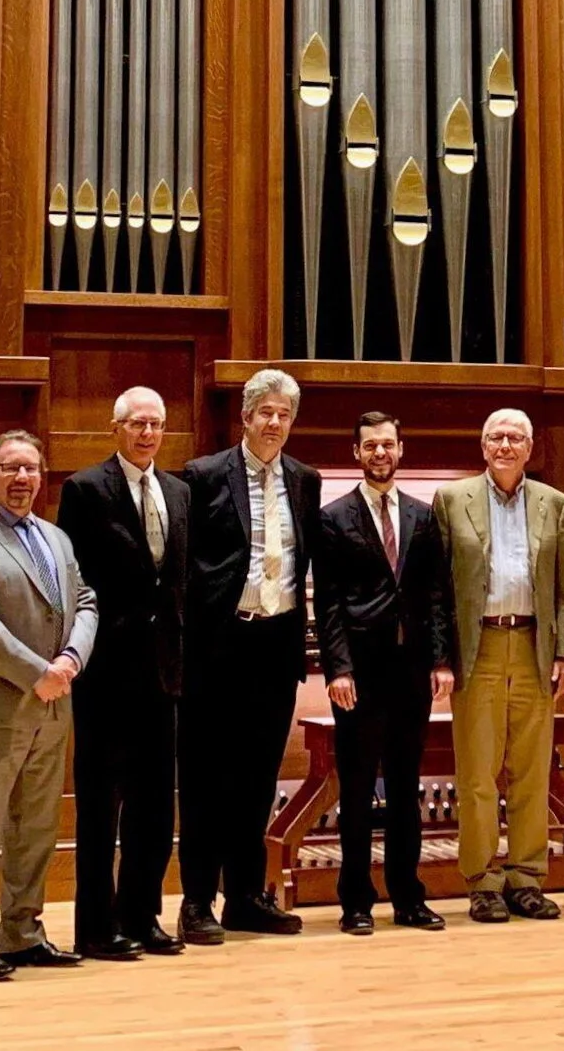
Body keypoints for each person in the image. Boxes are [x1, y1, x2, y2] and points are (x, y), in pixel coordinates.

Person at [0, 429, 98, 980]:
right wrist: (40, 674)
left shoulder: (56, 539)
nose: (22, 478)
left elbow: (85, 601)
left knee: (37, 828)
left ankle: (23, 931)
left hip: (55, 707)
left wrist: (73, 657)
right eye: (10, 468)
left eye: (30, 468)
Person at [177, 367, 322, 944]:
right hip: (219, 647)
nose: (274, 423)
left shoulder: (305, 480)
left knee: (259, 778)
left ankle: (245, 896)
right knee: (207, 777)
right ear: (245, 417)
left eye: (284, 415)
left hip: (275, 643)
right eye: (266, 412)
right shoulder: (202, 475)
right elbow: (186, 566)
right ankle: (195, 901)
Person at [56, 386, 190, 959]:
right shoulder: (85, 489)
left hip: (164, 671)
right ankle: (95, 925)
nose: (146, 434)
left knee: (155, 802)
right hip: (107, 669)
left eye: (155, 424)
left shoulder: (179, 492)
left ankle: (142, 915)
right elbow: (74, 581)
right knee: (101, 802)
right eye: (136, 423)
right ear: (116, 428)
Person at [311, 411, 455, 935]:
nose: (380, 453)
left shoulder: (422, 515)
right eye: (370, 445)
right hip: (361, 673)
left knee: (405, 784)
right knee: (355, 787)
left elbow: (437, 595)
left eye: (388, 445)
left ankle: (408, 897)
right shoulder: (333, 518)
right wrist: (338, 668)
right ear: (357, 453)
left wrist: (441, 659)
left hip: (411, 670)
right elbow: (326, 603)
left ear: (401, 449)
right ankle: (355, 901)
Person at [433, 408, 564, 925]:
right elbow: (439, 588)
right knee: (477, 774)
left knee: (532, 771)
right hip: (480, 648)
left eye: (516, 437)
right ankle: (482, 880)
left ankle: (526, 877)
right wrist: (442, 656)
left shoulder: (553, 503)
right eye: (496, 436)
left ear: (530, 447)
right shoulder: (452, 500)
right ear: (482, 445)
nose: (505, 445)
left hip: (535, 645)